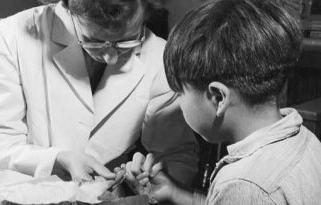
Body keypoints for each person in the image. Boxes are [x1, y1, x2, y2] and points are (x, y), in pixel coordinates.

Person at [0, 0, 199, 189]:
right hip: (25, 192)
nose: (111, 58)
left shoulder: (159, 57)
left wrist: (150, 175)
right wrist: (56, 160)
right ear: (68, 8)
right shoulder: (13, 35)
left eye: (127, 41)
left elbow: (177, 154)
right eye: (94, 42)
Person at [126, 0, 321, 204]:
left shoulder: (244, 185)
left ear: (218, 98)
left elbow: (244, 194)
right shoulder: (305, 140)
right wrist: (175, 193)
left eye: (180, 92)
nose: (180, 104)